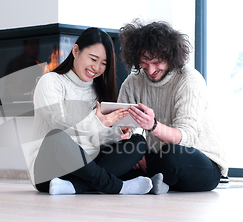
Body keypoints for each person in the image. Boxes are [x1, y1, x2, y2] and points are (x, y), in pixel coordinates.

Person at [28, 27, 153, 195]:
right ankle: (117, 186)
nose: (96, 67)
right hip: (49, 170)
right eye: (93, 59)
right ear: (75, 50)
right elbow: (60, 125)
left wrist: (115, 133)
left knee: (137, 142)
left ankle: (74, 187)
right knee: (56, 137)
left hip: (86, 167)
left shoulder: (98, 91)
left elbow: (93, 138)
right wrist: (99, 122)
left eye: (103, 63)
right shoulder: (50, 81)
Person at [117, 20, 228, 194]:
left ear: (170, 57)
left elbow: (187, 138)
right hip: (155, 157)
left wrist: (153, 126)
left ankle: (149, 181)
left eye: (157, 62)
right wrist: (131, 147)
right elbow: (121, 127)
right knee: (115, 152)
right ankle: (156, 182)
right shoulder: (132, 82)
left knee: (172, 154)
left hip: (197, 160)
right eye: (144, 62)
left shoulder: (189, 79)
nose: (151, 69)